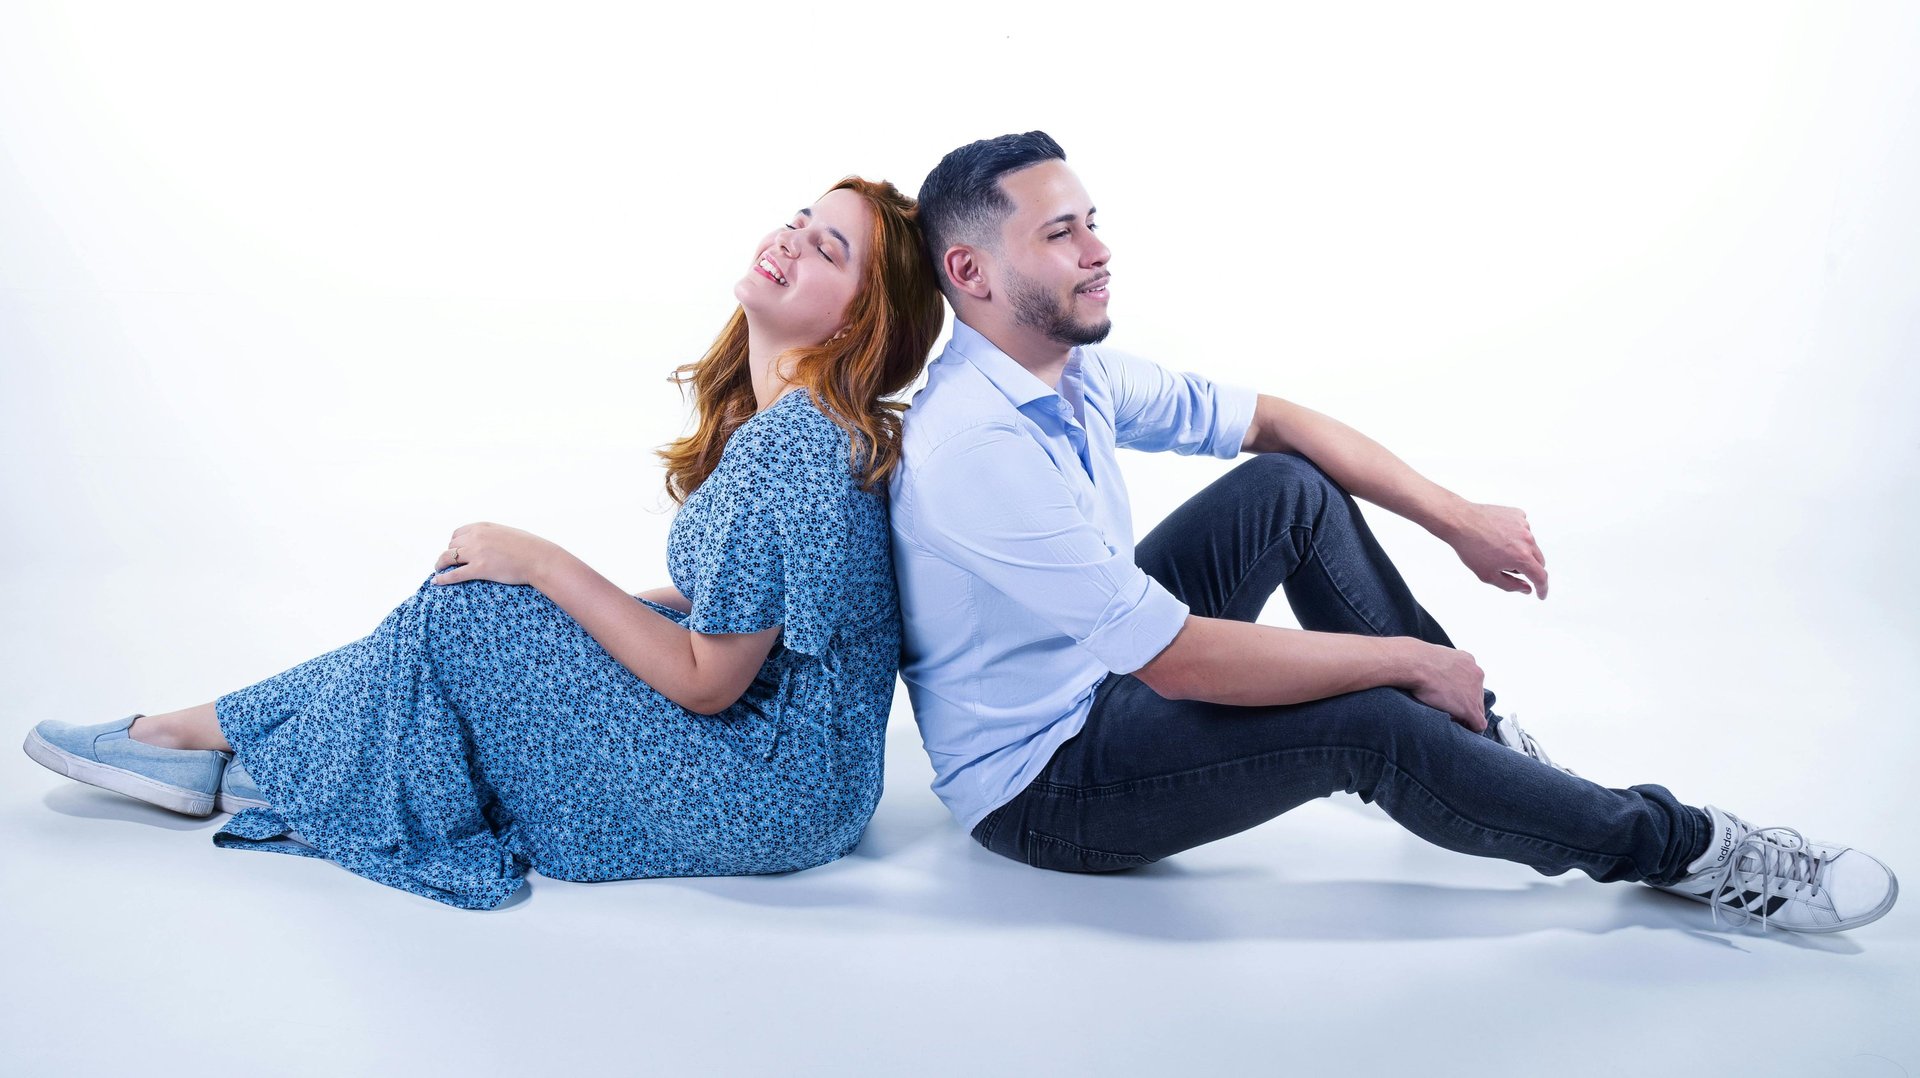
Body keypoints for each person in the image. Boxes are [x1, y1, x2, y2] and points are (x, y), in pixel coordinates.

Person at [888, 131, 1898, 934]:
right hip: (1048, 782)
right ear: (972, 271)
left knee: (1283, 487)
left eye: (1093, 222)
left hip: (1104, 671)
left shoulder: (1069, 371)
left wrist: (1457, 518)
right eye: (1061, 234)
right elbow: (1176, 659)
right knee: (1370, 721)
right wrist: (1404, 660)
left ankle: (1479, 742)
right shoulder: (974, 447)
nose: (1099, 250)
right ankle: (1682, 847)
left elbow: (1275, 423)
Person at [24, 176, 946, 910]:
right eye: (798, 217)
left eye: (827, 247)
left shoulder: (794, 448)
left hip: (768, 792)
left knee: (471, 611)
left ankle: (206, 742)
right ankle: (224, 738)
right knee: (491, 605)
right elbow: (757, 618)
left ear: (858, 322)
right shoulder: (802, 429)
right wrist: (577, 603)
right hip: (807, 783)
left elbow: (711, 680)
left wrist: (545, 565)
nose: (788, 236)